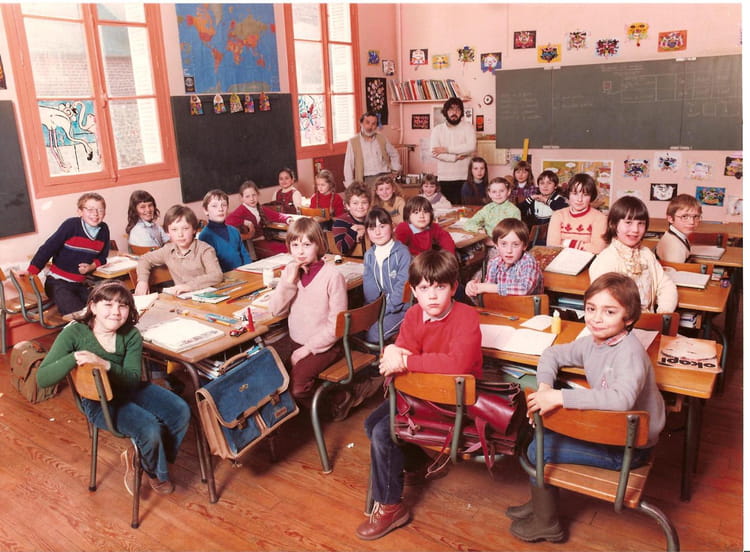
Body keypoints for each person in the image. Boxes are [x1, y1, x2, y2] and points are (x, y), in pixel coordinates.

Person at [507, 272, 665, 543]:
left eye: (609, 312)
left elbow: (620, 400)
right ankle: (541, 504)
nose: (596, 318)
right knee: (539, 430)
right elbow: (552, 353)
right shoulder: (594, 342)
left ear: (628, 318)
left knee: (537, 448)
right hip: (609, 430)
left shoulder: (629, 353)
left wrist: (559, 397)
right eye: (591, 309)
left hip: (628, 447)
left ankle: (547, 522)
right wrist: (545, 389)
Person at [356, 249, 483, 540]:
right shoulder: (414, 314)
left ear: (454, 287)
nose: (432, 296)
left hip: (453, 403)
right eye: (424, 288)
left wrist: (406, 361)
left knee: (382, 433)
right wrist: (393, 352)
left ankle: (391, 507)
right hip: (420, 396)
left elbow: (458, 365)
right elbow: (403, 350)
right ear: (414, 291)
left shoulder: (467, 316)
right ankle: (418, 463)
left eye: (440, 287)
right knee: (370, 424)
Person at [37, 280, 190, 495]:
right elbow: (43, 379)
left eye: (123, 305)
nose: (116, 312)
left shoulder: (130, 334)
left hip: (129, 387)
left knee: (180, 410)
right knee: (149, 428)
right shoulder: (74, 333)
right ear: (93, 307)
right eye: (108, 305)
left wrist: (105, 364)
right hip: (98, 401)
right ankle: (156, 471)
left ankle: (144, 462)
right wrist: (73, 357)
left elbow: (132, 380)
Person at [268, 218, 348, 406]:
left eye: (306, 245)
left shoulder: (333, 276)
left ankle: (339, 400)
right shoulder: (290, 271)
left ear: (318, 244)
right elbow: (275, 310)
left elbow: (337, 327)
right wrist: (289, 281)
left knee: (297, 387)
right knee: (270, 378)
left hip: (326, 345)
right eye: (295, 245)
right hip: (295, 340)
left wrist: (308, 349)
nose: (300, 251)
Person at [589, 196, 678, 313]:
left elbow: (666, 285)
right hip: (618, 321)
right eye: (628, 222)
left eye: (641, 223)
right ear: (613, 224)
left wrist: (663, 312)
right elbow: (605, 302)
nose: (635, 229)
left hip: (649, 319)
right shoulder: (606, 259)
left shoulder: (646, 254)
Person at [26, 192, 110, 315]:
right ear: (80, 212)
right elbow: (48, 248)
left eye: (100, 210)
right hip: (57, 283)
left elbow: (103, 257)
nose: (95, 214)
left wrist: (91, 267)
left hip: (80, 284)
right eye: (90, 209)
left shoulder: (104, 229)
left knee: (100, 310)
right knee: (79, 315)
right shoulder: (71, 225)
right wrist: (31, 272)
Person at [134, 204, 223, 296]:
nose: (180, 234)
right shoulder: (167, 250)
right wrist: (142, 281)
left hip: (208, 296)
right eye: (174, 229)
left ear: (194, 230)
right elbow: (144, 259)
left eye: (185, 228)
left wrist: (189, 286)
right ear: (167, 232)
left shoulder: (205, 250)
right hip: (181, 299)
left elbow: (216, 275)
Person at [363, 207, 410, 343]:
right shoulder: (369, 255)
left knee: (373, 335)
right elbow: (370, 290)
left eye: (382, 226)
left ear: (392, 227)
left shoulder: (402, 253)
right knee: (356, 328)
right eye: (372, 228)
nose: (377, 232)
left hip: (402, 308)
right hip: (380, 308)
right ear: (367, 232)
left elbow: (402, 289)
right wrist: (373, 312)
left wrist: (383, 310)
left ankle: (383, 352)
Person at [465, 218, 543, 299]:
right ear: (496, 245)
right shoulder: (494, 263)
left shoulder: (528, 262)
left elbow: (524, 289)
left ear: (524, 246)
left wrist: (487, 287)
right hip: (500, 305)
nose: (509, 250)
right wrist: (474, 288)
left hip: (526, 306)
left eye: (515, 245)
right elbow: (488, 294)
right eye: (504, 244)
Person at [225, 180, 293, 257]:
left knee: (289, 247)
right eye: (247, 196)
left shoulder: (259, 208)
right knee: (285, 251)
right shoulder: (241, 210)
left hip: (264, 240)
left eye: (254, 195)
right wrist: (244, 222)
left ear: (257, 194)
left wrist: (288, 219)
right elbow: (227, 221)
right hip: (253, 245)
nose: (252, 199)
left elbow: (277, 216)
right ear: (242, 198)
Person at [430, 98, 477, 205]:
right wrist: (454, 157)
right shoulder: (437, 130)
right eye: (451, 109)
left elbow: (471, 147)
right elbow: (434, 152)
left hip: (465, 177)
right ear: (445, 111)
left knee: (466, 209)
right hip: (445, 178)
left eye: (458, 109)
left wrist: (446, 149)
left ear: (462, 112)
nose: (454, 112)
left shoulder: (468, 127)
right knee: (446, 209)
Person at [547, 173, 607, 254]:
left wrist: (565, 242)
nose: (579, 199)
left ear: (591, 197)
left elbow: (598, 249)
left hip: (588, 261)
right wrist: (584, 245)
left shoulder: (600, 218)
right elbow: (552, 247)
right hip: (560, 259)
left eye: (585, 195)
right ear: (569, 194)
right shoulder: (558, 215)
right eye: (575, 193)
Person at [343, 111, 401, 188]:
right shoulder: (353, 142)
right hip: (366, 179)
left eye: (373, 124)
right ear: (361, 123)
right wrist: (350, 185)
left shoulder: (382, 138)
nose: (370, 127)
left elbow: (394, 154)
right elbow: (348, 165)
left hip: (385, 176)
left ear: (376, 126)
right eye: (367, 123)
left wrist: (395, 170)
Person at [198, 189, 251, 272]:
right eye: (214, 206)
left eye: (224, 205)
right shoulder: (205, 236)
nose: (220, 209)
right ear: (206, 210)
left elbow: (245, 256)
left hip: (243, 273)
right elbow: (212, 268)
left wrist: (248, 270)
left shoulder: (234, 231)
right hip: (223, 277)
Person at [656, 193, 703, 262]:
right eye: (684, 216)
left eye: (696, 216)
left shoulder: (677, 235)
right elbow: (675, 269)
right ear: (670, 219)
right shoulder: (675, 247)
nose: (692, 222)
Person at [332, 181, 371, 256]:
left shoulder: (372, 219)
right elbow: (342, 249)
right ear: (347, 206)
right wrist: (354, 229)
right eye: (355, 203)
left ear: (369, 204)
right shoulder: (340, 222)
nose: (360, 206)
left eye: (364, 202)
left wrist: (365, 230)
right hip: (350, 260)